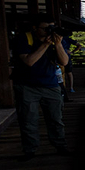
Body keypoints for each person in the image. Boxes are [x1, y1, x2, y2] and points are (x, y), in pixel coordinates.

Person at [12, 16, 69, 160]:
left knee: (56, 118)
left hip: (50, 85)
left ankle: (60, 145)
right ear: (35, 28)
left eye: (51, 27)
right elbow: (29, 61)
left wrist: (58, 44)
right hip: (27, 85)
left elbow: (64, 61)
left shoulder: (57, 40)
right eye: (45, 28)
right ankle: (30, 150)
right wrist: (44, 45)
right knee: (28, 119)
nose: (49, 31)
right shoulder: (24, 39)